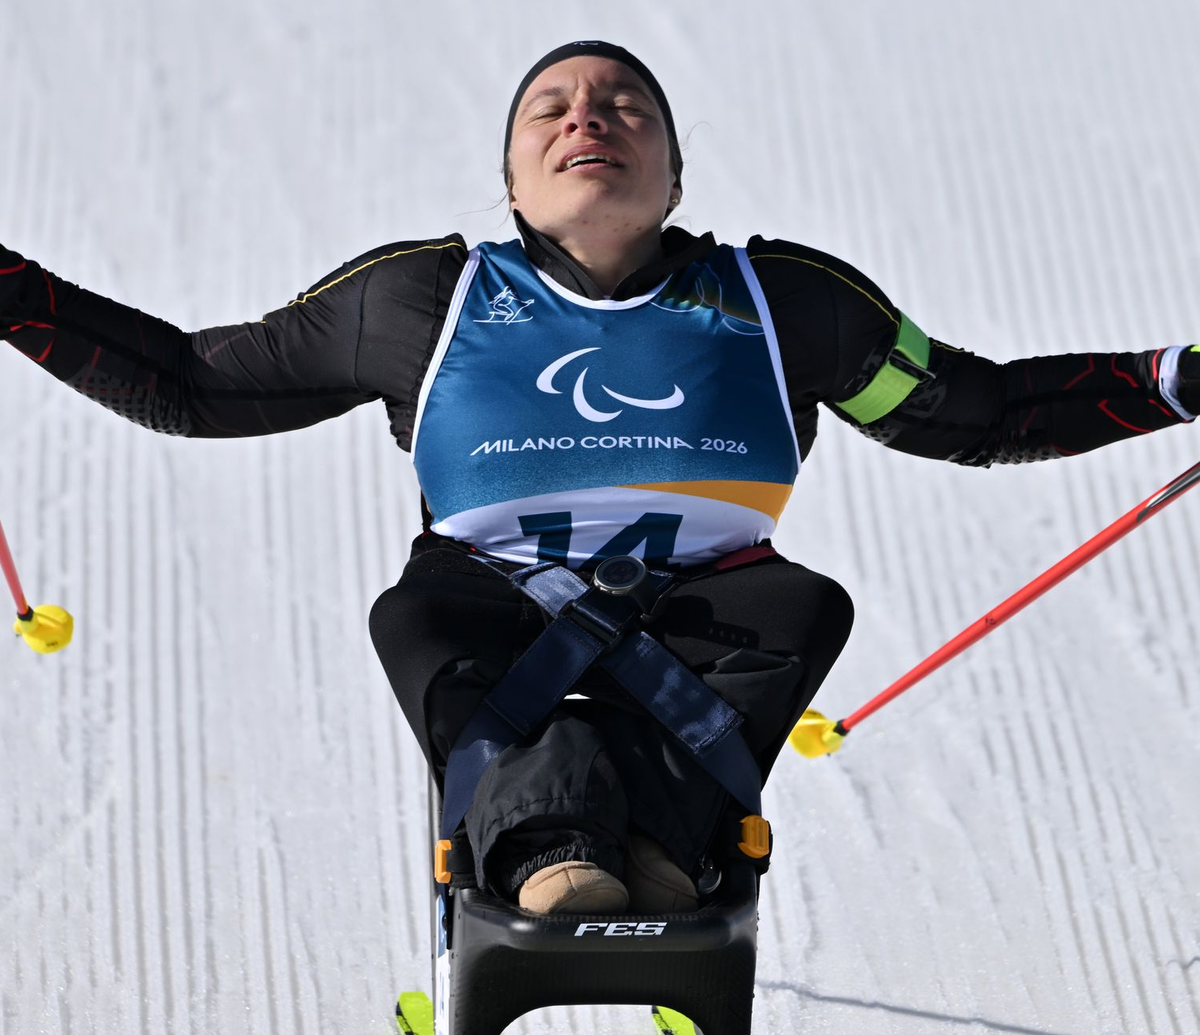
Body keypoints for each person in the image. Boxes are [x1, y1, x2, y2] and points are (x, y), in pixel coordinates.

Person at [3, 41, 1198, 917]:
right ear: (513, 182)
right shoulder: (423, 300)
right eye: (551, 109)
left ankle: (654, 846)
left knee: (804, 604)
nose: (590, 117)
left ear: (675, 175)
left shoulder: (786, 304)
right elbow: (191, 384)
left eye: (626, 104)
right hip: (490, 598)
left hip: (710, 611)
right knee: (419, 614)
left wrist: (1175, 379)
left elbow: (973, 414)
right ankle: (553, 855)